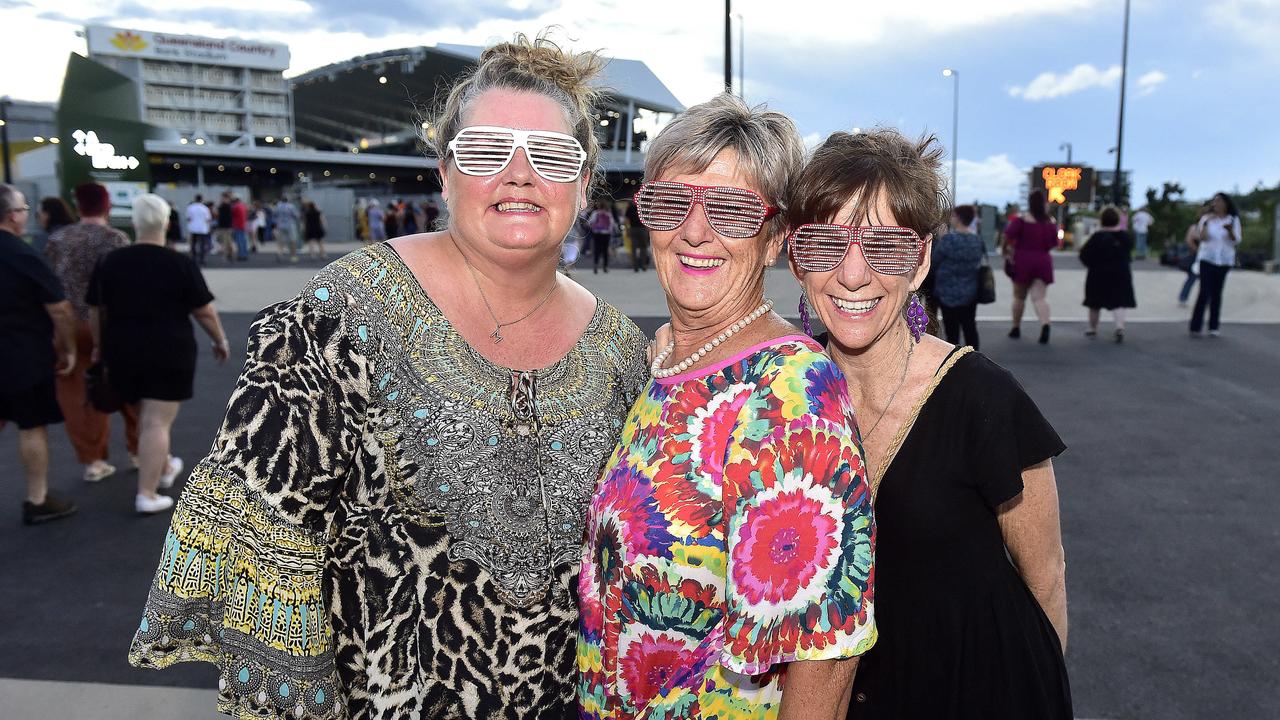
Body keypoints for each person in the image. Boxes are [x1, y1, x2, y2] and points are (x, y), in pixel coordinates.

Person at [129, 33, 649, 719]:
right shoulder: (344, 313)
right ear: (444, 173)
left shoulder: (620, 351)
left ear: (583, 184)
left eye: (551, 157)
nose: (519, 175)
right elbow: (270, 556)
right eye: (487, 152)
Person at [578, 94, 877, 720]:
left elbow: (826, 652)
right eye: (669, 204)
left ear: (773, 241)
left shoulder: (787, 393)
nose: (694, 231)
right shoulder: (668, 363)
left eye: (732, 210)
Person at [786, 128, 1071, 719]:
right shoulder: (783, 394)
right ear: (796, 259)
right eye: (824, 245)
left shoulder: (982, 397)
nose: (853, 274)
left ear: (920, 262)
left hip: (977, 691)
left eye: (885, 247)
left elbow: (1045, 575)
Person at [87, 194, 230, 514]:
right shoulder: (179, 263)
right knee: (156, 422)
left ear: (135, 223)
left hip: (122, 349)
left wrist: (99, 346)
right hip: (169, 350)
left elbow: (96, 311)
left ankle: (163, 466)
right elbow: (203, 311)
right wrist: (219, 339)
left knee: (144, 415)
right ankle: (147, 494)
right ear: (166, 223)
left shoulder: (110, 262)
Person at [44, 182, 139, 483]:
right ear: (107, 205)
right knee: (129, 385)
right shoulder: (116, 239)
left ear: (78, 205)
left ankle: (93, 461)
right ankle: (139, 450)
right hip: (109, 323)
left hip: (68, 323)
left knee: (76, 391)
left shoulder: (58, 239)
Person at [0, 184, 79, 524]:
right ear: (12, 216)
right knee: (31, 426)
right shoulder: (23, 255)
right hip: (22, 354)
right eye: (23, 210)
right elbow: (59, 308)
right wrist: (69, 348)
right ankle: (37, 499)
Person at [1004, 190, 1059, 344]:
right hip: (1043, 261)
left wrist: (1007, 253)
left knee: (1019, 297)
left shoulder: (1021, 221)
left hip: (1022, 261)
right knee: (1039, 298)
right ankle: (1045, 324)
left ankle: (1015, 327)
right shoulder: (1050, 223)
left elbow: (1008, 237)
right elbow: (1054, 243)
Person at [931, 204, 985, 349]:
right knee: (970, 328)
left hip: (947, 292)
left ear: (959, 218)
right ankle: (975, 361)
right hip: (970, 290)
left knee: (952, 333)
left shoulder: (948, 240)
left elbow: (934, 262)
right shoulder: (977, 240)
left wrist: (941, 238)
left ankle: (954, 365)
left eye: (954, 216)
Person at [1080, 206, 1136, 343]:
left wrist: (1091, 264)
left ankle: (1093, 328)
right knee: (1119, 302)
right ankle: (1119, 327)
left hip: (1098, 273)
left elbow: (1084, 255)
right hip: (1120, 273)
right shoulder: (1124, 237)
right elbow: (1129, 254)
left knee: (1094, 303)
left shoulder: (1097, 237)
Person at [1189, 192, 1241, 338]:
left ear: (1226, 203)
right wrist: (1206, 223)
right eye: (1214, 201)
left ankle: (1213, 326)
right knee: (1204, 291)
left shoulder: (1233, 219)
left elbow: (1236, 240)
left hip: (1224, 260)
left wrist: (1230, 230)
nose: (1215, 204)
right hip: (1207, 258)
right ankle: (1195, 325)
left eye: (1218, 201)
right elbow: (1202, 238)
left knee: (1217, 293)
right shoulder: (1207, 219)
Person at [587, 200, 614, 273]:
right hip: (606, 234)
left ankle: (596, 265)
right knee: (605, 250)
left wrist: (591, 227)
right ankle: (605, 266)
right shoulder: (608, 213)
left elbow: (590, 222)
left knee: (597, 249)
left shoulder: (595, 213)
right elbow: (611, 224)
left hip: (597, 233)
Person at [185, 194, 212, 266]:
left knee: (193, 244)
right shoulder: (205, 208)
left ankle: (193, 258)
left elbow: (188, 218)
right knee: (202, 244)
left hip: (193, 228)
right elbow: (208, 219)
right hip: (202, 229)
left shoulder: (190, 207)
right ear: (202, 199)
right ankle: (202, 259)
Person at [273, 195, 300, 263]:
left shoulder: (278, 206)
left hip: (280, 225)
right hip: (290, 225)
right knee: (292, 241)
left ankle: (280, 253)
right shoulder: (291, 206)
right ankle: (293, 256)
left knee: (280, 241)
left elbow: (275, 214)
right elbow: (296, 215)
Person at [624, 196, 648, 271]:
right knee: (643, 248)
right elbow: (646, 219)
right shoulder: (643, 208)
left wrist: (627, 229)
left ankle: (635, 266)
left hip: (633, 229)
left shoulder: (630, 208)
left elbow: (626, 220)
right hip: (642, 229)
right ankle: (643, 265)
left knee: (634, 248)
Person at [214, 192, 234, 261]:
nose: (221, 199)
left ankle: (226, 256)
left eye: (222, 197)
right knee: (228, 241)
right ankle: (230, 254)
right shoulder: (229, 205)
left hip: (225, 226)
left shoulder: (225, 205)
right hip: (227, 226)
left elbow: (217, 213)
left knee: (225, 241)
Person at [230, 193, 250, 260]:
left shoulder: (236, 207)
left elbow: (232, 214)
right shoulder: (243, 206)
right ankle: (244, 254)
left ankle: (241, 255)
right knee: (243, 241)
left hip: (238, 225)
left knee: (239, 241)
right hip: (243, 225)